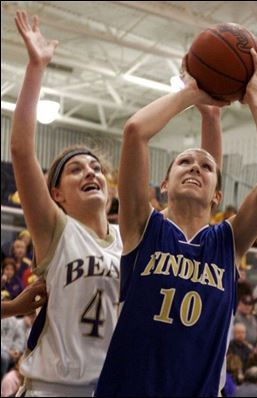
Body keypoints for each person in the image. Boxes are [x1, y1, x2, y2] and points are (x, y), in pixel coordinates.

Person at [95, 40, 257, 396]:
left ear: (217, 195)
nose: (195, 169)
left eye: (205, 167)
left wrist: (256, 101)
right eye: (184, 162)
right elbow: (135, 132)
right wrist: (191, 92)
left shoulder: (227, 241)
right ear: (165, 184)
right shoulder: (144, 227)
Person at [11, 11, 123, 397]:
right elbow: (22, 152)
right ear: (56, 194)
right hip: (51, 389)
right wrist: (36, 67)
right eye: (75, 170)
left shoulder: (133, 240)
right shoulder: (57, 230)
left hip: (107, 388)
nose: (90, 173)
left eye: (95, 168)